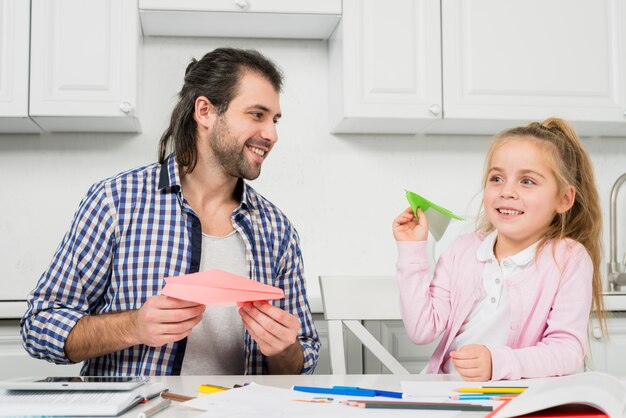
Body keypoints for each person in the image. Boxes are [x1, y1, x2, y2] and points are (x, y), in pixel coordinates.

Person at [20, 47, 320, 376]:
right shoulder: (116, 201)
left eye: (274, 120)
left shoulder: (276, 229)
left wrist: (284, 349)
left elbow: (301, 357)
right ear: (205, 111)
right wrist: (133, 326)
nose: (272, 134)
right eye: (257, 114)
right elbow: (40, 325)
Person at [392, 117, 605, 381]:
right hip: (448, 394)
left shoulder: (567, 259)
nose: (507, 191)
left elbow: (566, 350)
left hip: (518, 399)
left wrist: (497, 362)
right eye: (496, 178)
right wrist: (412, 250)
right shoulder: (464, 249)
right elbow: (422, 329)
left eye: (527, 181)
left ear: (564, 199)